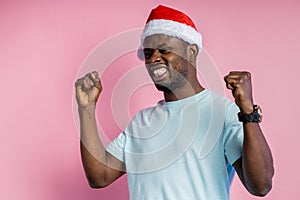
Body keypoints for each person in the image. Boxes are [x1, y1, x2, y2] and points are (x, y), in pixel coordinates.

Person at [75, 5, 274, 200]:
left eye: (164, 50)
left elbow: (260, 185)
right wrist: (86, 109)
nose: (154, 59)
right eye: (148, 53)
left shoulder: (222, 111)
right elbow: (99, 176)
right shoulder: (141, 122)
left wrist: (248, 112)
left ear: (191, 52)